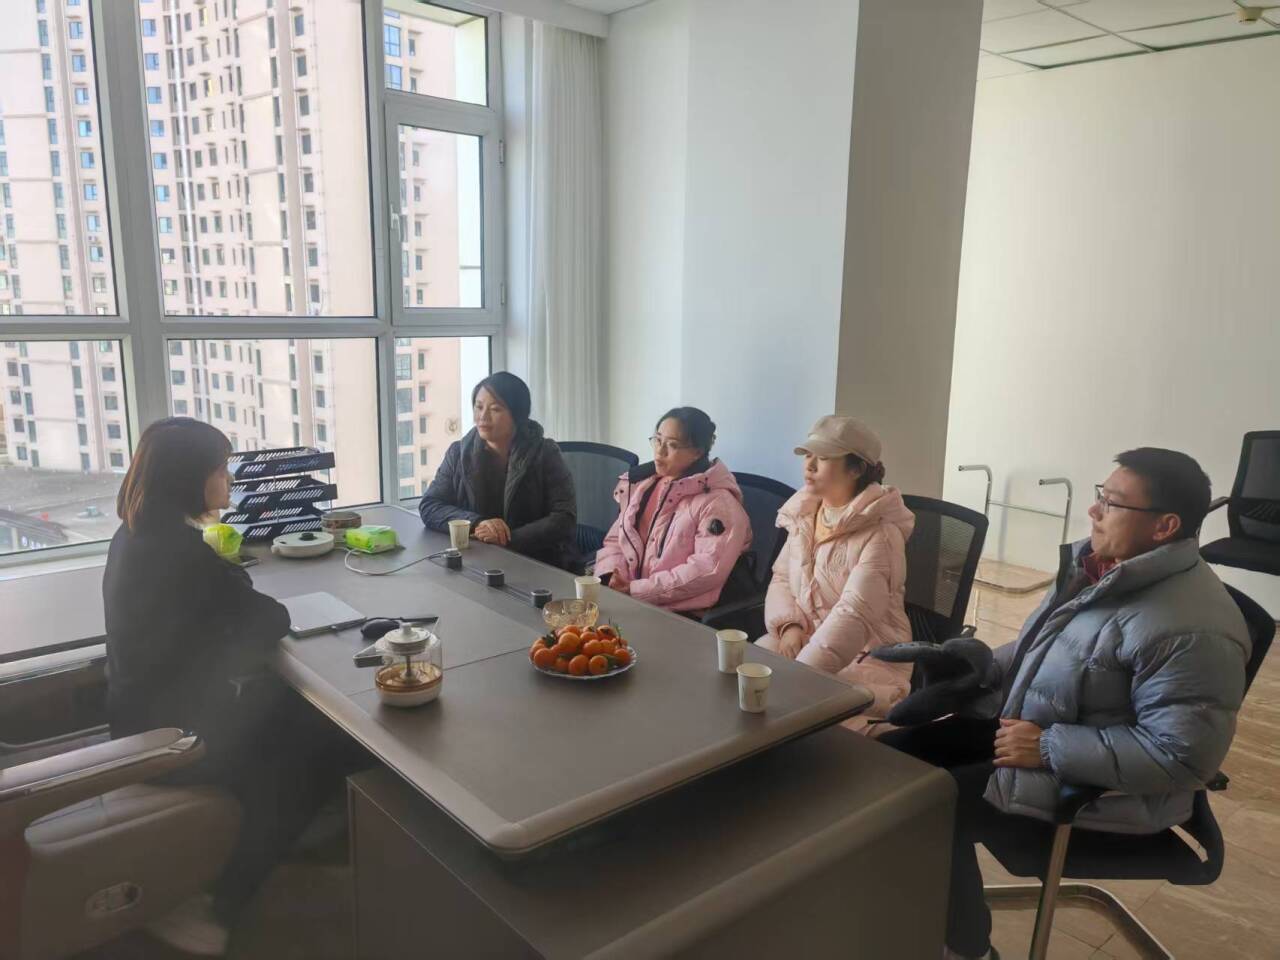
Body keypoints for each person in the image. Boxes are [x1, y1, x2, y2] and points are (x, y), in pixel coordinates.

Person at [876, 448, 1252, 960]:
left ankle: (967, 950)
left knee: (927, 807)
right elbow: (1042, 650)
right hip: (1042, 736)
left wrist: (1048, 746)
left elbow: (1184, 757)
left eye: (1112, 503)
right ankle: (906, 907)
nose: (1094, 511)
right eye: (1100, 495)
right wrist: (981, 669)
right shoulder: (1101, 570)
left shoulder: (1193, 629)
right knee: (888, 762)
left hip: (1108, 789)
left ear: (1164, 526)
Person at [104, 418, 361, 956]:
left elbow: (211, 615)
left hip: (138, 717)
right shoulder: (180, 552)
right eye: (220, 469)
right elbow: (270, 618)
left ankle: (298, 837)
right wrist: (230, 586)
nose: (229, 480)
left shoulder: (133, 536)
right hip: (173, 739)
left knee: (296, 710)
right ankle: (218, 906)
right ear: (188, 477)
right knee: (321, 744)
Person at [756, 416, 915, 731]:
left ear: (856, 469)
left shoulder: (881, 534)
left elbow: (854, 615)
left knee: (807, 719)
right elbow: (782, 577)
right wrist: (789, 625)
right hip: (807, 636)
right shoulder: (805, 513)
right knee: (744, 677)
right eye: (808, 455)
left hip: (869, 656)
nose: (810, 465)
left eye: (824, 457)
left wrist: (800, 673)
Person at [594, 407, 751, 613]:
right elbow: (616, 540)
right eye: (658, 440)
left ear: (697, 452)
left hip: (680, 613)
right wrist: (611, 574)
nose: (660, 451)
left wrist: (637, 590)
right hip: (632, 600)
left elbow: (707, 570)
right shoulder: (643, 485)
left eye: (672, 445)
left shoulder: (719, 505)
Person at [419, 372, 576, 569]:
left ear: (517, 415)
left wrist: (506, 539)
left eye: (495, 409)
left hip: (535, 562)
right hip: (476, 560)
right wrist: (477, 523)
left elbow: (564, 517)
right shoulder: (458, 453)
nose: (483, 417)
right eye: (479, 407)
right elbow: (430, 505)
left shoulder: (545, 453)